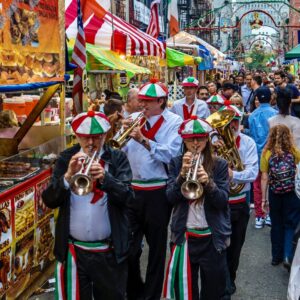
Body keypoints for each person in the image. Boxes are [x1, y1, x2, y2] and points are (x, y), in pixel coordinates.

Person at [42, 111, 134, 299]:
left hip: (109, 252)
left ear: (105, 135)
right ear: (77, 136)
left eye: (96, 137)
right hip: (74, 253)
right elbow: (49, 200)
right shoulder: (66, 158)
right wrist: (67, 177)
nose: (91, 143)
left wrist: (106, 178)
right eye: (85, 137)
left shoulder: (117, 159)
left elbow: (129, 198)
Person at [124, 79, 183, 300]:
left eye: (148, 101)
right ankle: (136, 290)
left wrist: (144, 140)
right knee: (128, 249)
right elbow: (118, 152)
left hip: (157, 191)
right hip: (131, 189)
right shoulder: (132, 120)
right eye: (141, 100)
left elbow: (171, 154)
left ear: (161, 101)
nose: (143, 105)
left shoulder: (174, 122)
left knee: (156, 249)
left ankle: (152, 295)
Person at [163, 116, 231, 300]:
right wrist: (181, 176)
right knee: (186, 292)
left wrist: (208, 182)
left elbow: (222, 201)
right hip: (184, 236)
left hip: (211, 237)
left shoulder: (220, 164)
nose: (195, 143)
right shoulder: (176, 163)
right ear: (183, 140)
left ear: (207, 139)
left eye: (200, 138)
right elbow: (170, 198)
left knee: (213, 291)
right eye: (190, 138)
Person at [214, 105, 258, 297]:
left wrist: (232, 174)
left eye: (234, 121)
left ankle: (230, 277)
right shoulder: (213, 142)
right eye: (227, 122)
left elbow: (253, 173)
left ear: (239, 123)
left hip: (239, 202)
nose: (231, 125)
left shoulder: (248, 143)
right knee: (218, 246)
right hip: (218, 202)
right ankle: (222, 284)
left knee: (236, 246)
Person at [261, 124, 300, 269]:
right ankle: (288, 255)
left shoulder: (266, 153)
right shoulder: (294, 151)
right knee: (290, 224)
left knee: (276, 225)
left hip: (274, 193)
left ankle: (275, 257)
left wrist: (264, 200)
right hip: (291, 193)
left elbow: (264, 177)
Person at [249, 86, 277, 229]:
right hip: (272, 154)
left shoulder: (252, 115)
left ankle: (259, 216)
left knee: (257, 186)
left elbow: (252, 134)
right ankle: (270, 215)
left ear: (258, 98)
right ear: (271, 97)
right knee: (272, 184)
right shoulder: (275, 114)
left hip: (256, 154)